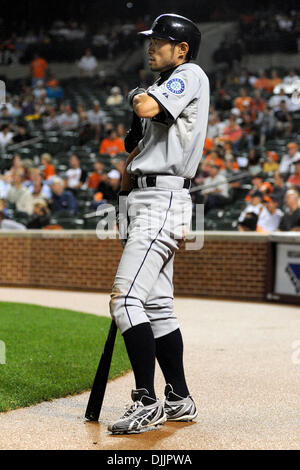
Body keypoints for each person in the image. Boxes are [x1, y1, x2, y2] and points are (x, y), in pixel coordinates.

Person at [106, 14, 209, 435]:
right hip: (147, 198)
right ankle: (179, 398)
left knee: (124, 300)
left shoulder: (189, 74)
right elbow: (136, 153)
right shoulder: (166, 84)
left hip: (164, 198)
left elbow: (146, 105)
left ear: (181, 49)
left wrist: (137, 95)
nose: (151, 47)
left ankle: (146, 400)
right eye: (151, 41)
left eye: (159, 41)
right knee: (157, 307)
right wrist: (123, 200)